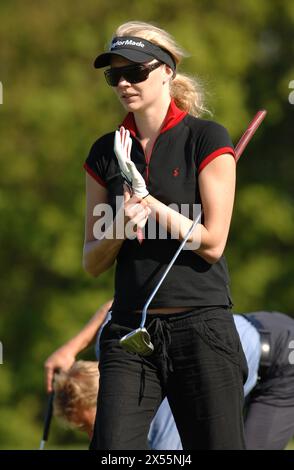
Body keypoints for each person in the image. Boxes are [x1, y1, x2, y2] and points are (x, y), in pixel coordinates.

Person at [82, 20, 248, 450]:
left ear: (167, 72)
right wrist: (119, 226)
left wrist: (150, 203)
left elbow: (213, 243)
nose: (123, 83)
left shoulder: (206, 138)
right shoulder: (106, 151)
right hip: (129, 329)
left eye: (134, 71)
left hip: (201, 327)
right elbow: (92, 262)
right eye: (113, 75)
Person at [46, 310, 294, 450]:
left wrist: (71, 346)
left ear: (107, 395)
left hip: (282, 359)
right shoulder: (114, 348)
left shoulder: (166, 418)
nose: (94, 437)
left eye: (92, 426)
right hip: (257, 335)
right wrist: (70, 350)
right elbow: (112, 308)